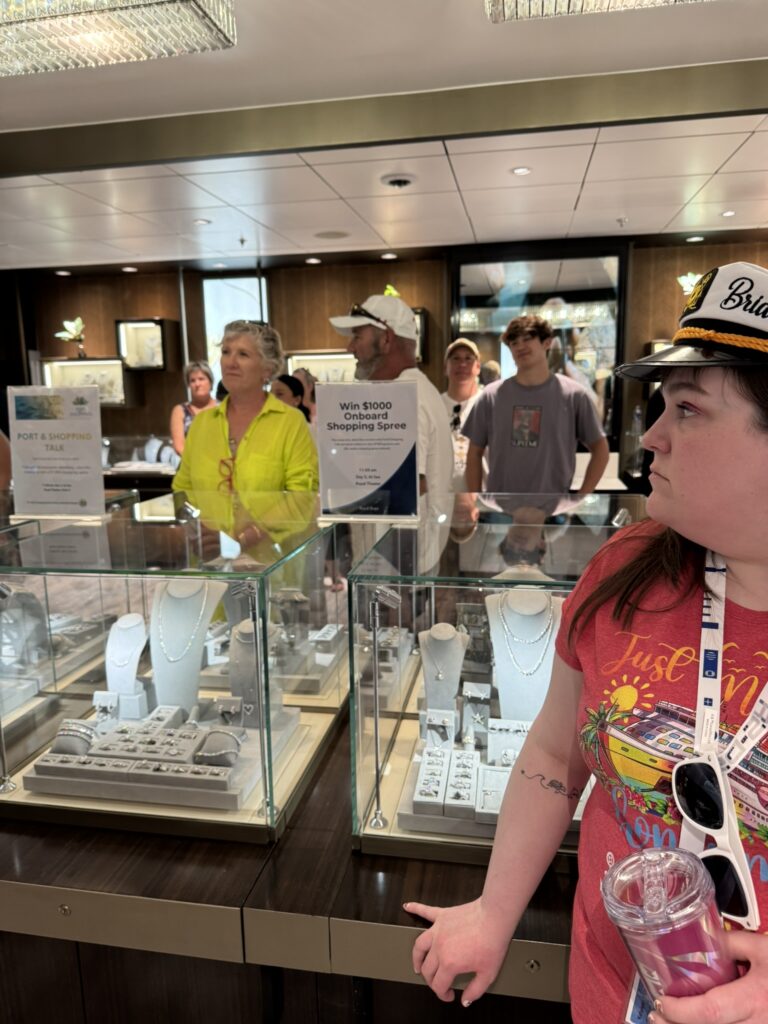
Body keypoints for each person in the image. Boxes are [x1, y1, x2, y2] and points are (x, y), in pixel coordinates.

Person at [405, 261, 768, 1024]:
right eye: (661, 407)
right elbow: (552, 756)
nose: (654, 437)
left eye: (690, 409)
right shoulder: (623, 572)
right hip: (605, 997)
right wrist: (493, 911)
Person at [330, 294, 453, 575]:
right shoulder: (410, 390)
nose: (350, 347)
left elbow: (409, 496)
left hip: (396, 572)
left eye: (357, 336)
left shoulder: (404, 397)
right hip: (396, 567)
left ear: (386, 339)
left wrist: (397, 595)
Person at [173, 320, 318, 553]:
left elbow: (301, 497)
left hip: (271, 566)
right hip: (211, 562)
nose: (230, 362)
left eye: (243, 354)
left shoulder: (290, 423)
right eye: (226, 352)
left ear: (267, 368)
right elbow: (182, 488)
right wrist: (198, 530)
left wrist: (243, 539)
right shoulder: (202, 425)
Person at [463, 315, 609, 497]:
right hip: (500, 509)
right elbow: (474, 453)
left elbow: (600, 449)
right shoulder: (490, 396)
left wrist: (580, 497)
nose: (520, 346)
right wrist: (475, 500)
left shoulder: (574, 395)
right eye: (514, 342)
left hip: (553, 508)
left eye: (527, 338)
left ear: (547, 342)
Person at [441, 338, 482, 490]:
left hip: (481, 501)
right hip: (442, 499)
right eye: (456, 358)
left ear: (477, 367)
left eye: (468, 359)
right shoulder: (433, 406)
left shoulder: (487, 405)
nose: (462, 364)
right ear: (446, 367)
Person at [169, 360, 218, 455]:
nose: (197, 384)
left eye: (201, 379)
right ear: (188, 385)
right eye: (192, 380)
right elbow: (179, 446)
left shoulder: (223, 407)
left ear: (210, 382)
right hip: (190, 465)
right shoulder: (180, 411)